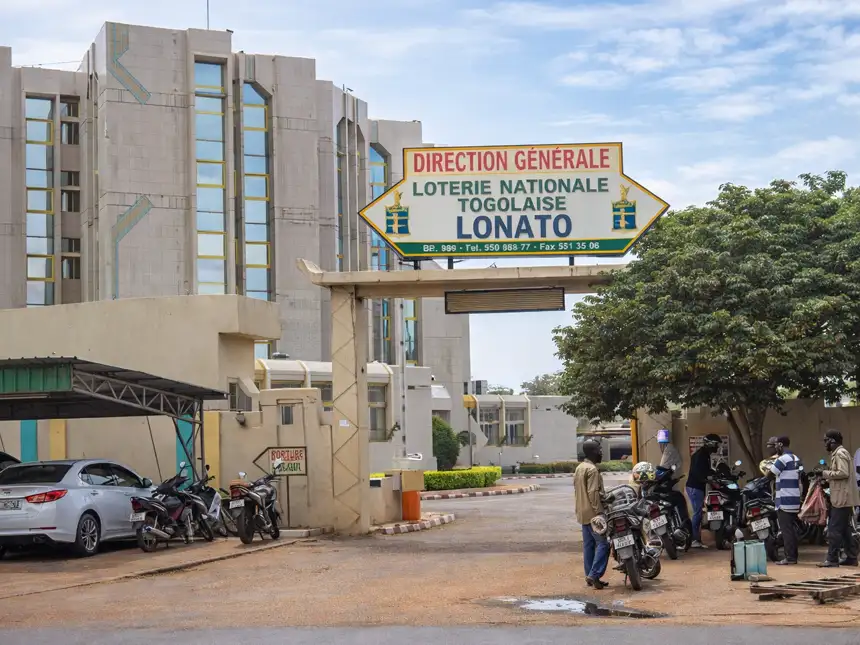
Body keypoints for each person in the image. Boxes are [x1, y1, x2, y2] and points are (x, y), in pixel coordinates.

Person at [818, 429, 860, 567]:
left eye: (826, 441)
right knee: (845, 530)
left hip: (842, 498)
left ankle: (832, 559)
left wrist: (824, 473)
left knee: (834, 529)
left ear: (832, 441)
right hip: (843, 497)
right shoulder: (841, 453)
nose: (825, 444)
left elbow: (843, 472)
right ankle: (851, 557)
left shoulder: (840, 453)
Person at [575, 438, 610, 589]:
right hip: (593, 513)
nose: (601, 453)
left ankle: (589, 575)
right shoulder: (592, 470)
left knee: (589, 546)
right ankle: (594, 574)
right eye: (599, 450)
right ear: (593, 452)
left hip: (582, 513)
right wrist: (599, 512)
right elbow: (593, 493)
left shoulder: (580, 468)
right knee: (604, 544)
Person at [767, 436, 801, 565]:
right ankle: (794, 556)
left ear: (780, 445)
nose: (775, 447)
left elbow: (770, 474)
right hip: (795, 499)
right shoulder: (796, 458)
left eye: (776, 445)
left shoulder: (782, 459)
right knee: (791, 530)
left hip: (784, 500)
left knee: (786, 531)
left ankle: (790, 558)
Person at [686, 433, 720, 549]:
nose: (717, 447)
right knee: (697, 513)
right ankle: (694, 539)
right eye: (716, 444)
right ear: (710, 444)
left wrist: (716, 474)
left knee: (699, 513)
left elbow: (706, 470)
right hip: (695, 487)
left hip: (697, 487)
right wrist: (707, 480)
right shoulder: (701, 455)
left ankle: (697, 538)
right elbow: (697, 472)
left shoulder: (705, 455)